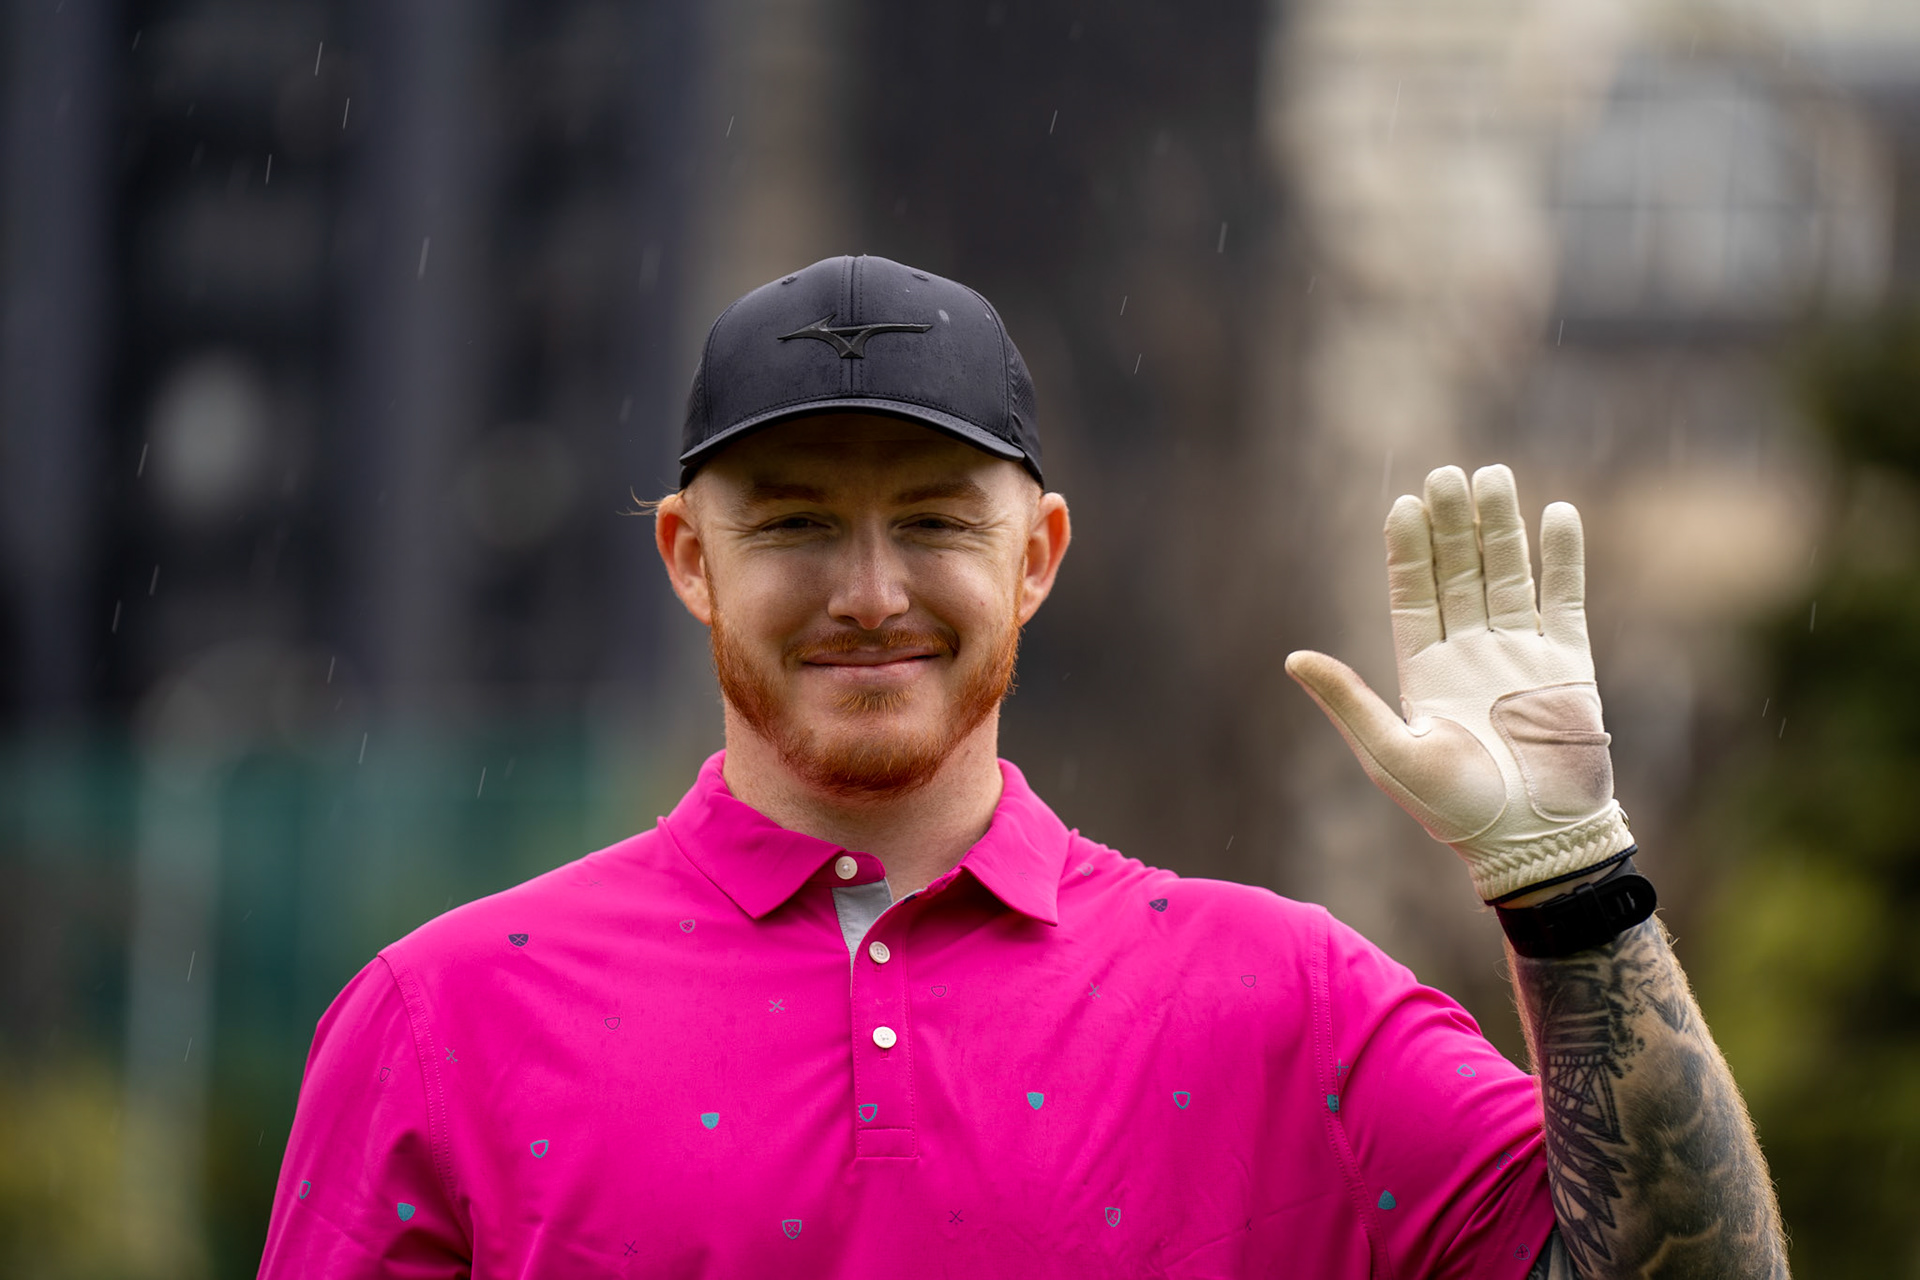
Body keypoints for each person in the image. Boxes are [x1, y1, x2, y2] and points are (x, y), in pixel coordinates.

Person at [257, 255, 1788, 1278]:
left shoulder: (1286, 1005)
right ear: (689, 558)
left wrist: (1573, 887)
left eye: (934, 520)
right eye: (794, 524)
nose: (870, 592)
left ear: (1038, 554)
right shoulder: (442, 1020)